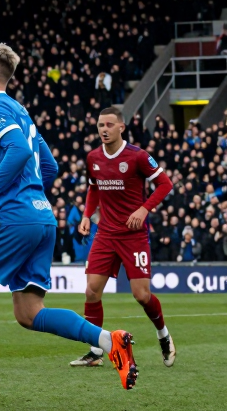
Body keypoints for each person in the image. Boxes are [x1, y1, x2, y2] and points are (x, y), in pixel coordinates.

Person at [0, 43, 137, 411]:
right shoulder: (21, 111)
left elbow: (20, 152)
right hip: (42, 218)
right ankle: (110, 341)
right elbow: (50, 168)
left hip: (14, 217)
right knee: (29, 312)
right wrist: (31, 196)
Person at [70, 107, 176, 368]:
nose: (103, 129)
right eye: (99, 125)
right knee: (92, 290)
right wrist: (87, 214)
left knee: (141, 295)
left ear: (121, 127)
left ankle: (163, 335)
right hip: (105, 233)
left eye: (109, 124)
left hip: (133, 236)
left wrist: (144, 208)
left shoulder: (138, 156)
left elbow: (165, 184)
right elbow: (94, 188)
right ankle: (95, 351)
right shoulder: (93, 157)